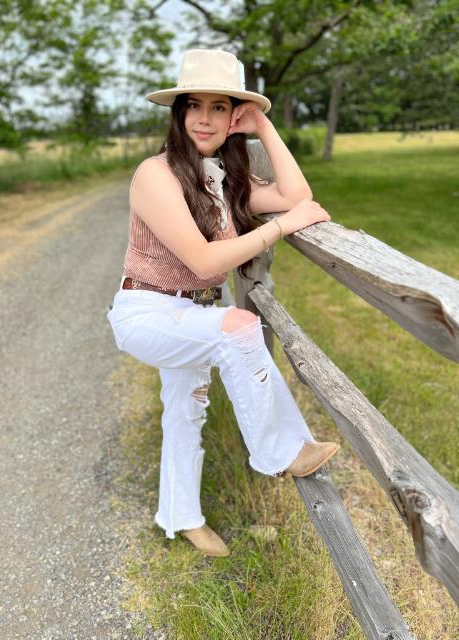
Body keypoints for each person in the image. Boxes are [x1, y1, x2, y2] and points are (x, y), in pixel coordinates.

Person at [107, 49, 340, 557]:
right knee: (237, 326)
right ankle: (280, 452)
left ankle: (181, 517)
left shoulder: (223, 179)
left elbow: (298, 195)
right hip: (145, 312)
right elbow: (206, 261)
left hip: (188, 313)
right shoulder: (156, 175)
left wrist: (262, 127)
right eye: (195, 105)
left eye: (219, 107)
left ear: (233, 115)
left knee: (185, 411)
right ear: (179, 113)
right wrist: (280, 228)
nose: (205, 118)